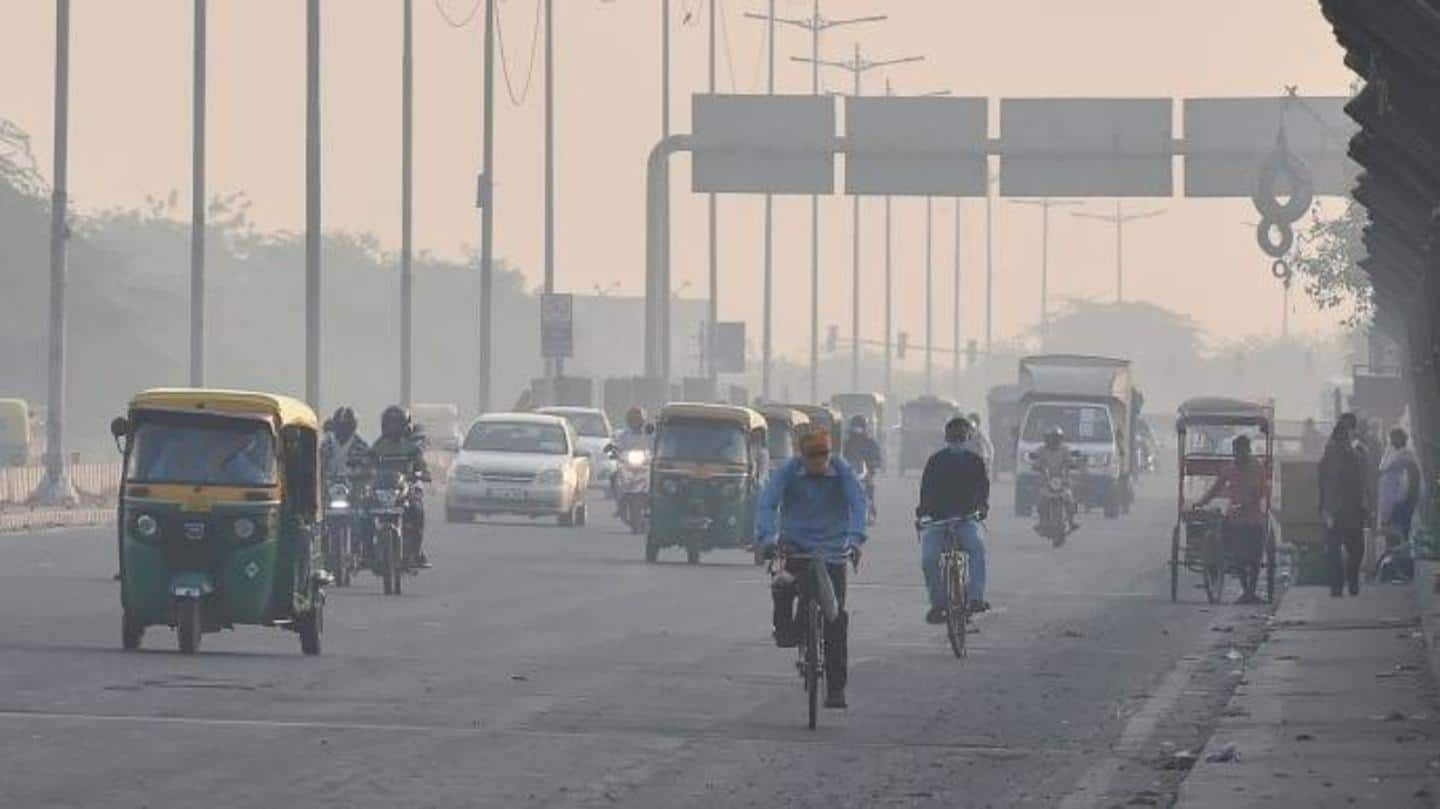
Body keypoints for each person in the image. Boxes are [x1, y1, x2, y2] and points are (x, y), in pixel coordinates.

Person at [755, 427, 867, 710]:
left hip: (832, 553)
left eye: (824, 454)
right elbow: (767, 503)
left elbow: (858, 503)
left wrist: (855, 540)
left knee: (836, 618)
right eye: (813, 455)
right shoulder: (788, 471)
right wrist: (767, 537)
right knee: (782, 584)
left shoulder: (842, 471)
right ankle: (785, 629)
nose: (819, 460)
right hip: (797, 547)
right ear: (801, 455)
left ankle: (836, 687)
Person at [916, 416, 991, 624]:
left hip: (966, 519)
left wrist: (982, 508)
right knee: (929, 559)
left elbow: (982, 491)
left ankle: (976, 598)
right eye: (954, 437)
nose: (957, 441)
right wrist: (922, 513)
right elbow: (926, 491)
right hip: (938, 520)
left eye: (961, 437)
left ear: (968, 438)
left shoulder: (976, 462)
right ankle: (938, 604)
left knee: (977, 549)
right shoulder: (935, 461)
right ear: (947, 438)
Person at [1195, 434, 1269, 604]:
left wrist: (1248, 503)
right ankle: (1246, 591)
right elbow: (1215, 488)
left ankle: (1251, 592)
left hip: (1254, 518)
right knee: (1238, 556)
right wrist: (1201, 503)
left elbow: (1262, 491)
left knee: (1255, 558)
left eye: (1241, 451)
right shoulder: (1230, 469)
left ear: (1248, 451)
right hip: (1235, 519)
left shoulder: (1257, 468)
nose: (1238, 455)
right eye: (1236, 452)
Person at [370, 405, 431, 568]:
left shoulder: (411, 448)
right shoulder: (378, 446)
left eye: (397, 424)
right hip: (382, 492)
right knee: (363, 514)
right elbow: (367, 463)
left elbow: (422, 466)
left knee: (417, 511)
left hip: (405, 491)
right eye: (390, 424)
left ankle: (416, 552)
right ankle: (368, 552)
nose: (393, 428)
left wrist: (423, 473)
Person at [1319, 415, 1369, 597]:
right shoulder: (1341, 451)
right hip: (1341, 509)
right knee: (1343, 549)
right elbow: (1326, 479)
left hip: (1346, 508)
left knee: (1348, 549)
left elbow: (1363, 480)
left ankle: (1344, 583)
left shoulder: (1355, 452)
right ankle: (1343, 584)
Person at [1376, 427, 1420, 581]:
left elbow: (1410, 483)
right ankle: (1392, 570)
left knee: (1400, 537)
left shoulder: (1407, 457)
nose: (1391, 441)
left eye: (1394, 438)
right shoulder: (1390, 454)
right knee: (1391, 537)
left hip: (1400, 504)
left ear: (1401, 439)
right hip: (1389, 504)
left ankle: (1404, 571)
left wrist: (1405, 502)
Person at [1031, 426, 1079, 531]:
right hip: (1046, 481)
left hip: (1062, 481)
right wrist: (1038, 467)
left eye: (1056, 438)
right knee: (1041, 500)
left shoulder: (1065, 449)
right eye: (1051, 438)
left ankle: (1071, 521)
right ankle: (1042, 521)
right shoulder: (1041, 450)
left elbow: (1071, 461)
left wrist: (1072, 465)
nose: (1053, 440)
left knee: (1070, 499)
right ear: (1047, 439)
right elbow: (1036, 462)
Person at [321, 407, 369, 485]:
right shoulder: (325, 445)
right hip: (328, 488)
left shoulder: (361, 447)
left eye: (346, 426)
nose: (342, 430)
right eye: (340, 426)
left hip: (352, 489)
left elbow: (365, 473)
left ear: (353, 427)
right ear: (334, 426)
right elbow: (319, 468)